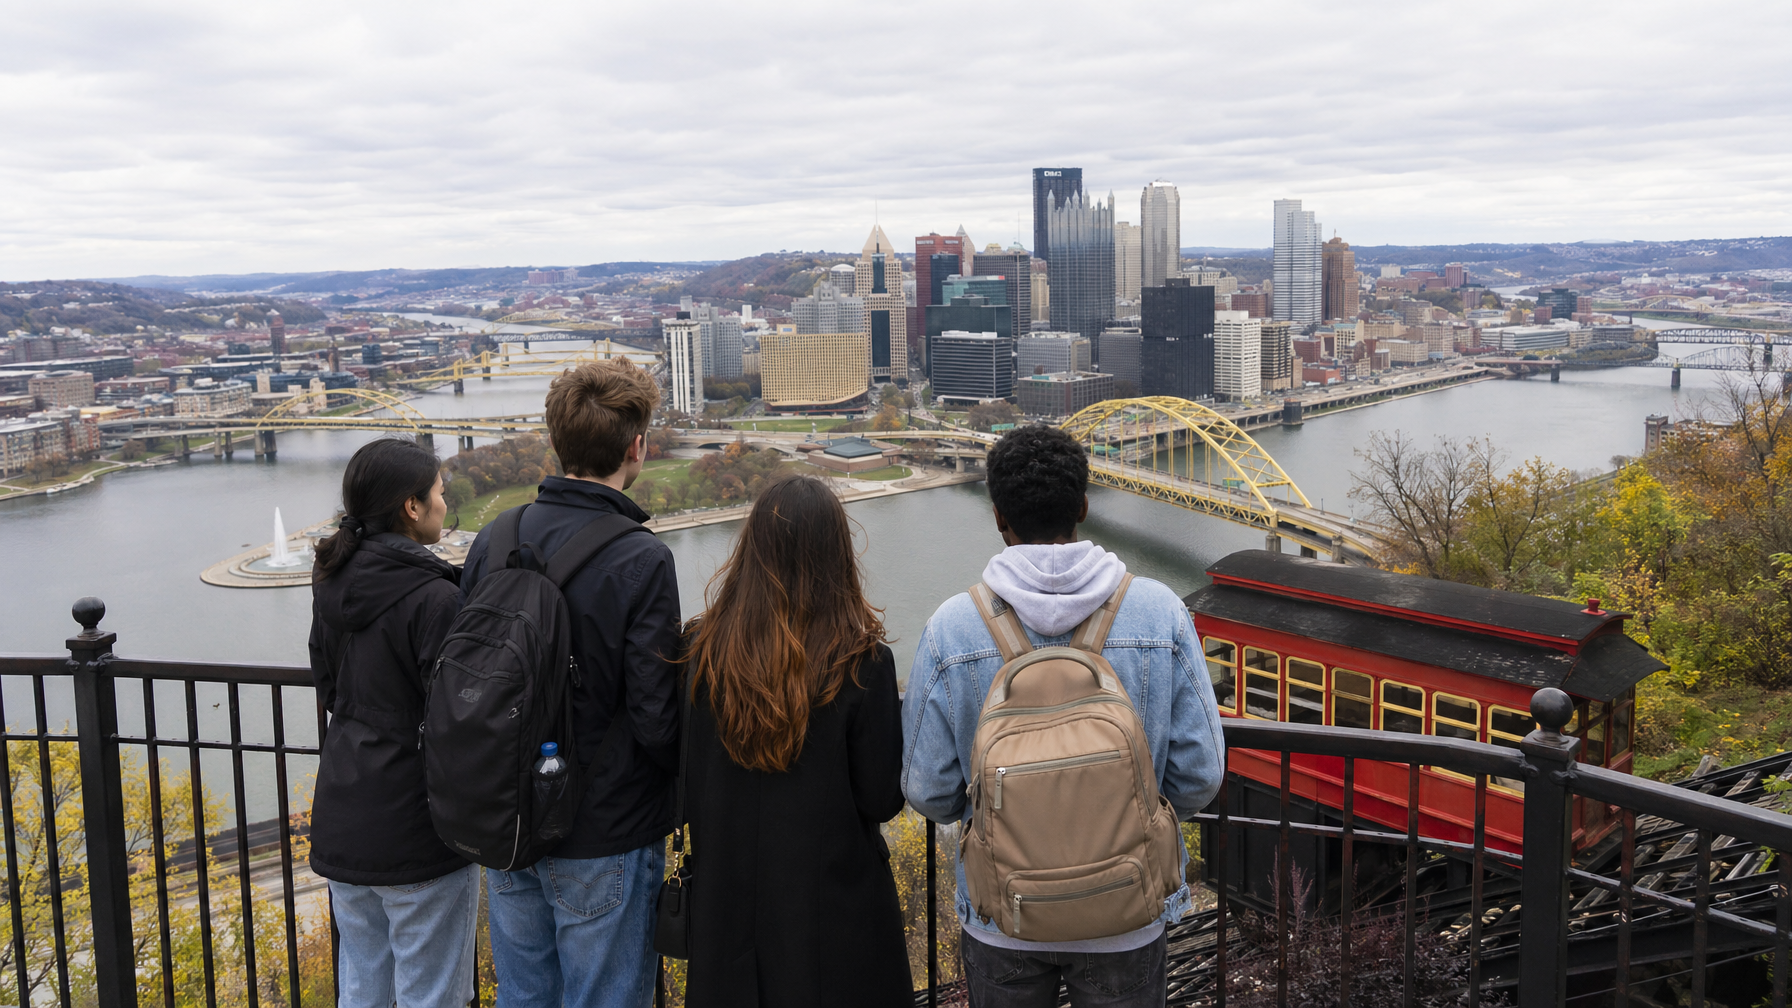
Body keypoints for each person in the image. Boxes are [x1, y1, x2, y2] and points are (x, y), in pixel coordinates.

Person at [901, 424, 1227, 1008]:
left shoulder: (951, 627)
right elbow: (1200, 776)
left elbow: (930, 792)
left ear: (997, 515)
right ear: (1082, 506)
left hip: (1003, 915)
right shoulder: (1159, 613)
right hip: (1127, 912)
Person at [458, 358, 680, 1008]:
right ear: (636, 446)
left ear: (555, 444)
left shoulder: (494, 540)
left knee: (526, 999)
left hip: (508, 823)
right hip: (604, 828)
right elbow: (655, 718)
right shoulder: (641, 559)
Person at [681, 474, 911, 1007]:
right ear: (838, 554)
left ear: (751, 549)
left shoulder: (700, 651)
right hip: (832, 914)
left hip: (726, 911)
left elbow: (687, 775)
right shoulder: (862, 662)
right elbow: (881, 796)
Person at [307, 436, 476, 1008]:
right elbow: (456, 717)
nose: (444, 504)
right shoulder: (434, 599)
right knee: (433, 995)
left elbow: (330, 689)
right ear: (411, 506)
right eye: (439, 494)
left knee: (362, 989)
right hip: (416, 826)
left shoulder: (331, 582)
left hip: (344, 811)